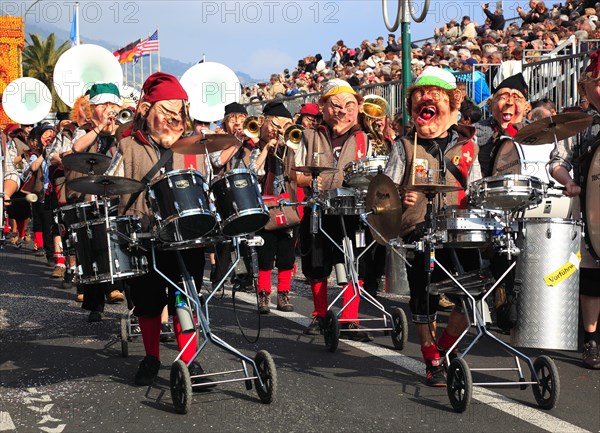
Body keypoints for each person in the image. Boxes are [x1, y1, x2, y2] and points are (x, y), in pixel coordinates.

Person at [113, 72, 212, 386]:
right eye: (167, 113)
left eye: (179, 113)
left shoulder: (195, 145)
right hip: (143, 236)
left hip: (188, 236)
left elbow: (206, 186)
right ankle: (152, 357)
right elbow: (109, 183)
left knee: (186, 297)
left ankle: (189, 361)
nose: (174, 120)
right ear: (147, 110)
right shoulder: (127, 145)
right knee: (148, 301)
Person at [384, 66, 481, 386]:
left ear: (452, 104)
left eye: (434, 95)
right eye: (419, 95)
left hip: (459, 229)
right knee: (423, 297)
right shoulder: (404, 145)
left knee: (471, 296)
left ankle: (444, 347)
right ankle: (431, 358)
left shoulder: (468, 146)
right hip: (418, 231)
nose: (425, 99)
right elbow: (383, 191)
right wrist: (401, 196)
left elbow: (478, 187)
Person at [294, 79, 373, 342]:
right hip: (318, 207)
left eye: (350, 106)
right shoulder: (309, 136)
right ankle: (319, 314)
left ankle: (350, 318)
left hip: (352, 210)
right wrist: (314, 181)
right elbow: (295, 174)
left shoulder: (364, 138)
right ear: (323, 107)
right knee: (317, 263)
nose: (342, 111)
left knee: (353, 261)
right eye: (335, 105)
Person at [550, 51, 600, 369]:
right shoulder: (580, 125)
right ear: (586, 89)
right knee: (592, 277)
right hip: (592, 212)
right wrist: (568, 182)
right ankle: (591, 340)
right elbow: (557, 161)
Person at [71, 83, 125, 320]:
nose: (110, 110)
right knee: (94, 247)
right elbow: (77, 148)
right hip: (92, 197)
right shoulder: (83, 130)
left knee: (124, 243)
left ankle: (124, 294)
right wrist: (100, 128)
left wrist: (118, 129)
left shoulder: (121, 129)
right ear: (92, 108)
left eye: (113, 105)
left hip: (118, 195)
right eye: (104, 105)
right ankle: (96, 303)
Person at [252, 102, 298, 313]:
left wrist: (286, 141)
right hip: (266, 203)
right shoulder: (257, 147)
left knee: (287, 253)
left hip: (288, 202)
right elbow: (252, 172)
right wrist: (266, 149)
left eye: (282, 125)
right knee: (266, 251)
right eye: (273, 124)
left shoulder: (292, 144)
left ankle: (284, 294)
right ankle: (263, 294)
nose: (277, 130)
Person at [475, 73, 531, 177]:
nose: (509, 103)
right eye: (502, 98)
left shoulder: (533, 131)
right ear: (490, 105)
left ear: (526, 108)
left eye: (517, 99)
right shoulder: (476, 130)